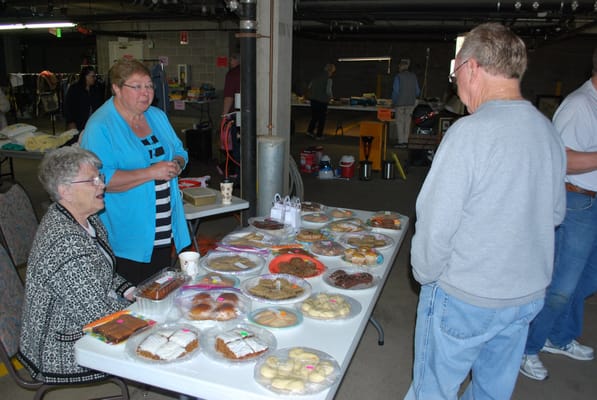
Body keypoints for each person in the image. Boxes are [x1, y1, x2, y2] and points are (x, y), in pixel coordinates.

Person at [405, 22, 566, 400]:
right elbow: (555, 214)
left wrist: (425, 275)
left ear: (472, 67)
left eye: (455, 73)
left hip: (465, 295)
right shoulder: (547, 132)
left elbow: (436, 224)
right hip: (525, 298)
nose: (455, 85)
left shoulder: (469, 133)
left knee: (433, 390)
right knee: (492, 392)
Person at [17, 147, 135, 384]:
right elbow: (99, 318)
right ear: (65, 191)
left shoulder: (85, 218)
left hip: (84, 320)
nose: (101, 184)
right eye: (92, 181)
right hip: (63, 348)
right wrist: (149, 320)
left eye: (99, 177)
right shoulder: (65, 244)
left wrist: (132, 292)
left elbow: (102, 272)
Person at [520, 47, 597, 381]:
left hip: (594, 201)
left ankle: (559, 336)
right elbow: (560, 158)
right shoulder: (580, 105)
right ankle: (528, 348)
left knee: (585, 280)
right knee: (561, 286)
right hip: (577, 201)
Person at [81, 58, 191, 286]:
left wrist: (178, 163)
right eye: (137, 86)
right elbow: (100, 179)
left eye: (149, 86)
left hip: (163, 227)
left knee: (158, 290)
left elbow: (179, 150)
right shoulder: (100, 125)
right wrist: (151, 172)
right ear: (116, 89)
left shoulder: (156, 116)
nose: (146, 93)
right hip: (128, 232)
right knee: (132, 300)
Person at [63, 66, 105, 132]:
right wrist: (70, 121)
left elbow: (99, 105)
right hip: (78, 124)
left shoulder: (95, 89)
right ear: (86, 76)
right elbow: (67, 106)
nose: (95, 78)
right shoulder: (74, 89)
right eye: (93, 76)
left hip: (93, 123)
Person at [391, 59, 420, 148]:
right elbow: (417, 91)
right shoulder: (413, 76)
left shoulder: (398, 77)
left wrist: (394, 102)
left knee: (400, 122)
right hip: (410, 103)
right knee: (407, 122)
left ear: (401, 66)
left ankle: (401, 142)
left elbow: (396, 91)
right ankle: (406, 141)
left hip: (400, 103)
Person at [220, 53, 241, 177]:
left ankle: (239, 174)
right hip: (251, 115)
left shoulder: (232, 74)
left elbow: (228, 98)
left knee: (237, 145)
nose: (229, 62)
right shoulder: (251, 71)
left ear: (236, 59)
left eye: (231, 59)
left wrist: (223, 117)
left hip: (236, 116)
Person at [306, 63, 335, 140]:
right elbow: (328, 91)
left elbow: (309, 87)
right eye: (332, 72)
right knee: (322, 119)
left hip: (313, 100)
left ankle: (309, 131)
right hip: (322, 101)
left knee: (314, 117)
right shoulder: (329, 79)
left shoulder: (316, 77)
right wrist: (331, 98)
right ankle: (319, 135)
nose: (332, 73)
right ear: (330, 71)